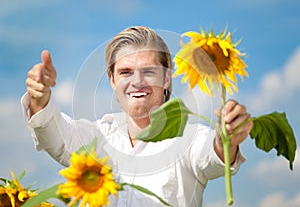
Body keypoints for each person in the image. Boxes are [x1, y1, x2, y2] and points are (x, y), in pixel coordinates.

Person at [22, 26, 253, 206]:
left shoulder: (189, 139)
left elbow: (212, 155)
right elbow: (54, 135)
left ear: (166, 79)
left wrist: (227, 139)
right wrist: (39, 98)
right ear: (112, 80)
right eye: (126, 72)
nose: (137, 82)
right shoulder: (97, 136)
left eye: (149, 71)